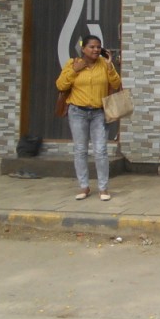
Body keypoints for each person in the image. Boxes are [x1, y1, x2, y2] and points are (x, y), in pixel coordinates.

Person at [55, 35, 122, 201]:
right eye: (92, 47)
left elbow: (116, 84)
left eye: (98, 47)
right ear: (83, 49)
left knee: (101, 150)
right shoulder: (73, 63)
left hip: (99, 112)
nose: (96, 50)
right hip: (78, 112)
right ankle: (84, 186)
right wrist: (75, 70)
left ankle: (103, 188)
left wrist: (110, 66)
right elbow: (61, 85)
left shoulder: (104, 64)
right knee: (80, 149)